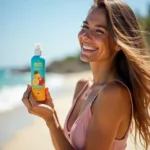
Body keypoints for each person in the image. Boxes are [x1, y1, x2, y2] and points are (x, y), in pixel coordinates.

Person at [22, 0, 150, 150]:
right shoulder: (83, 85)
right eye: (85, 27)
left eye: (99, 31)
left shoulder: (114, 93)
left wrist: (51, 120)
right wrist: (52, 116)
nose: (85, 36)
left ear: (117, 43)